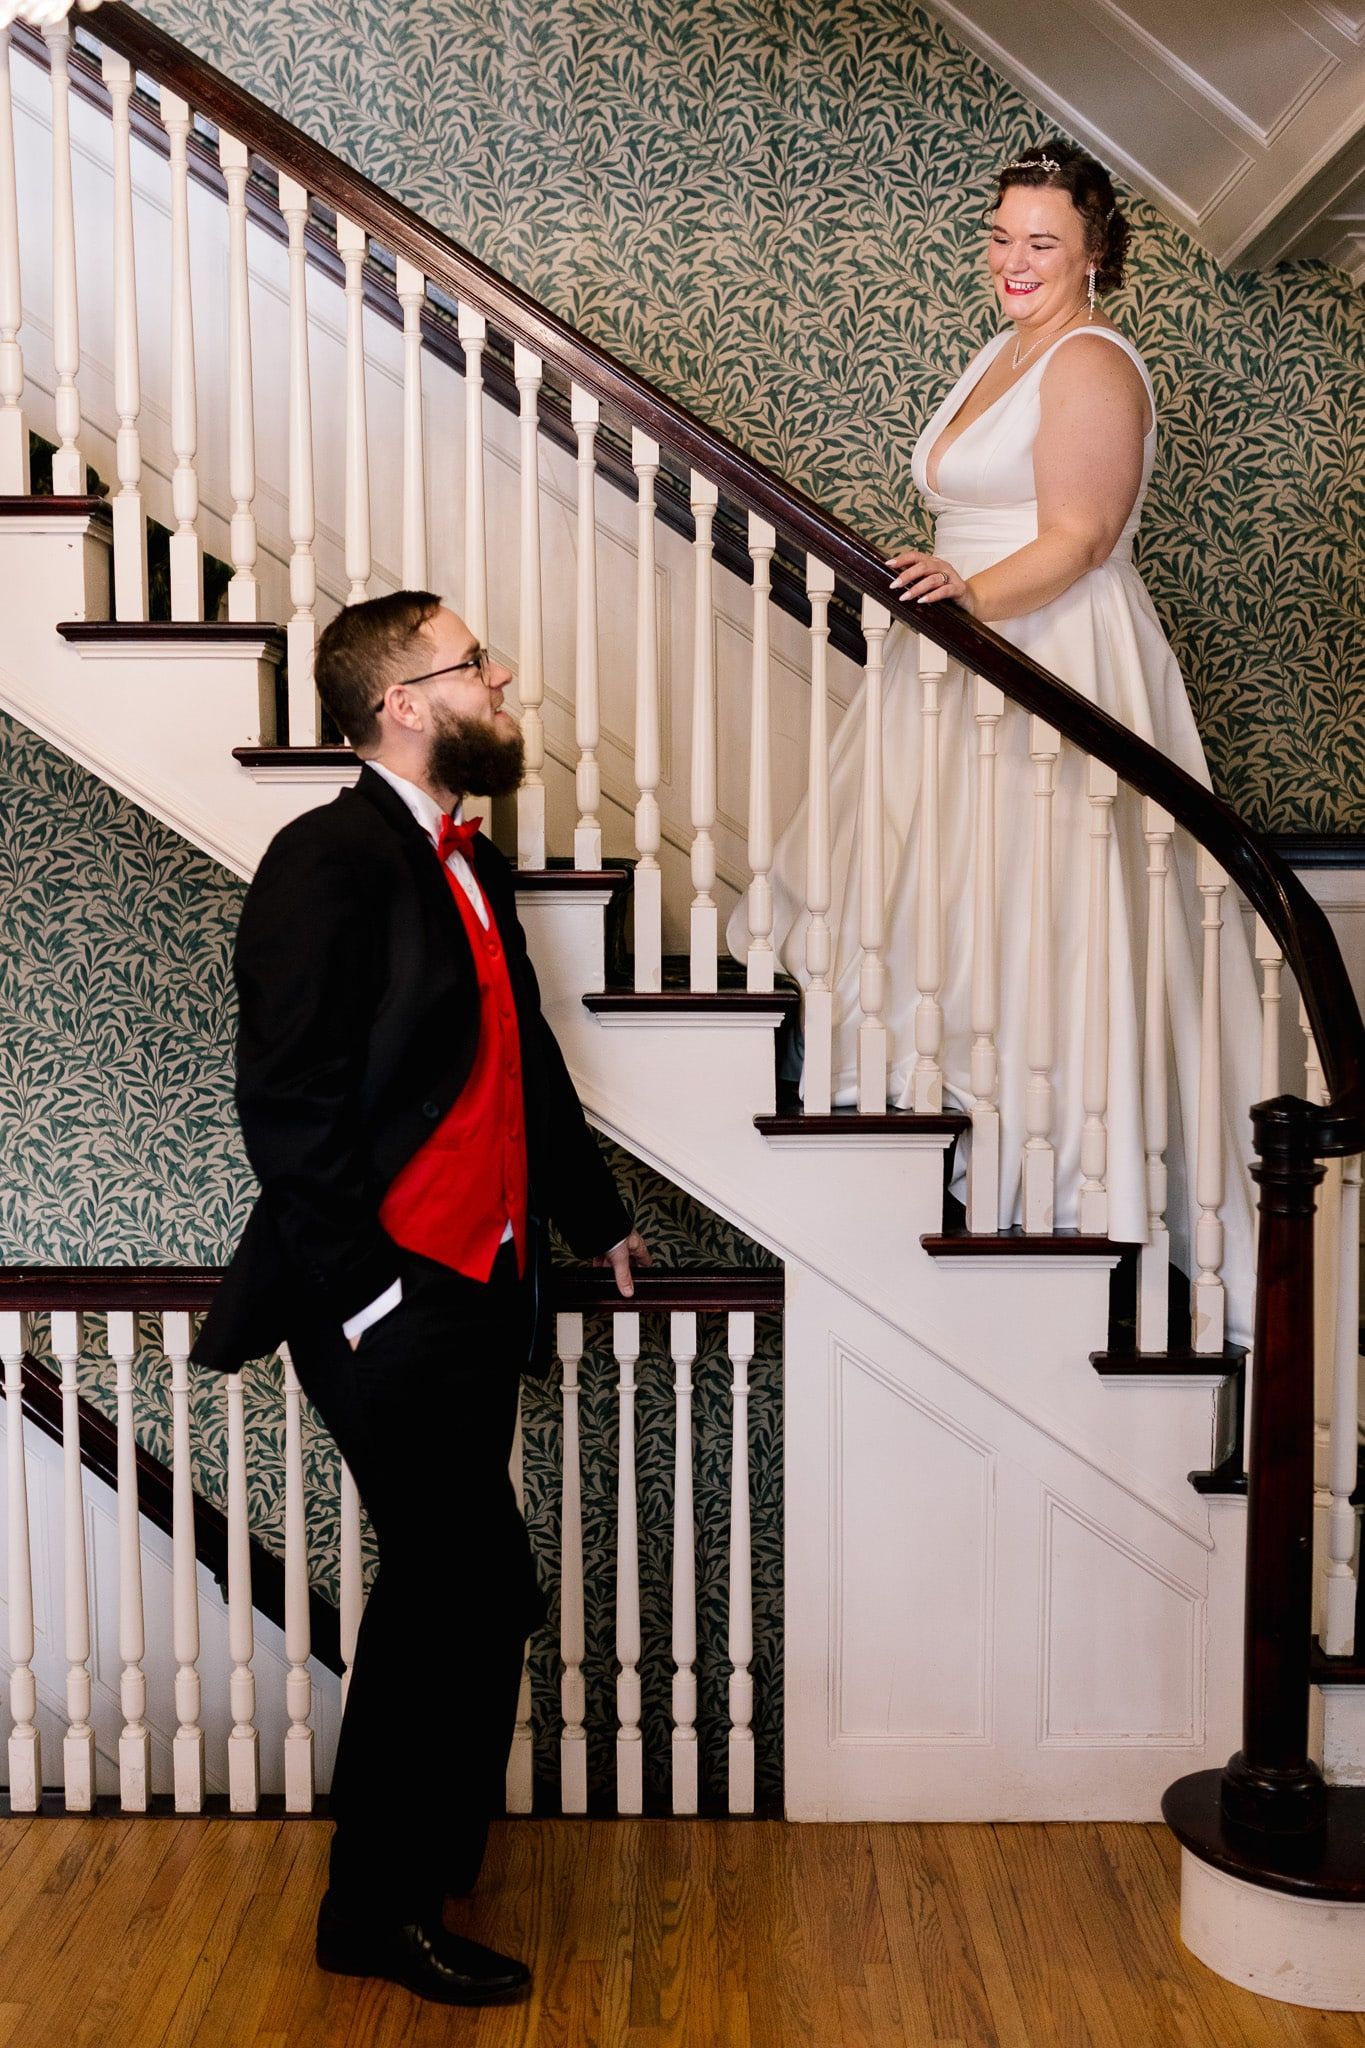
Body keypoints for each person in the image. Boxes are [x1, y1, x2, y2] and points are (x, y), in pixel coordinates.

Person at [192, 590, 649, 2006]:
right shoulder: (323, 859)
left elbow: (523, 1060)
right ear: (402, 702)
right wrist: (372, 1295)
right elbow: (288, 1104)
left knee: (475, 1585)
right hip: (386, 1296)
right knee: (456, 1583)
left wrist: (591, 1219)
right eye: (472, 664)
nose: (502, 675)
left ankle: (430, 1857)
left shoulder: (467, 859)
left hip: (483, 1280)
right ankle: (371, 1913)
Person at [727, 138, 1259, 1340]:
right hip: (959, 649)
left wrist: (966, 599)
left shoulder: (1090, 361)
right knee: (959, 903)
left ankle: (1068, 1178)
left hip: (1049, 651)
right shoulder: (1002, 347)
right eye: (1002, 236)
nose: (1015, 261)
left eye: (1043, 244)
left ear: (1094, 255)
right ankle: (985, 1138)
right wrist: (952, 610)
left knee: (1045, 902)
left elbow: (1076, 536)